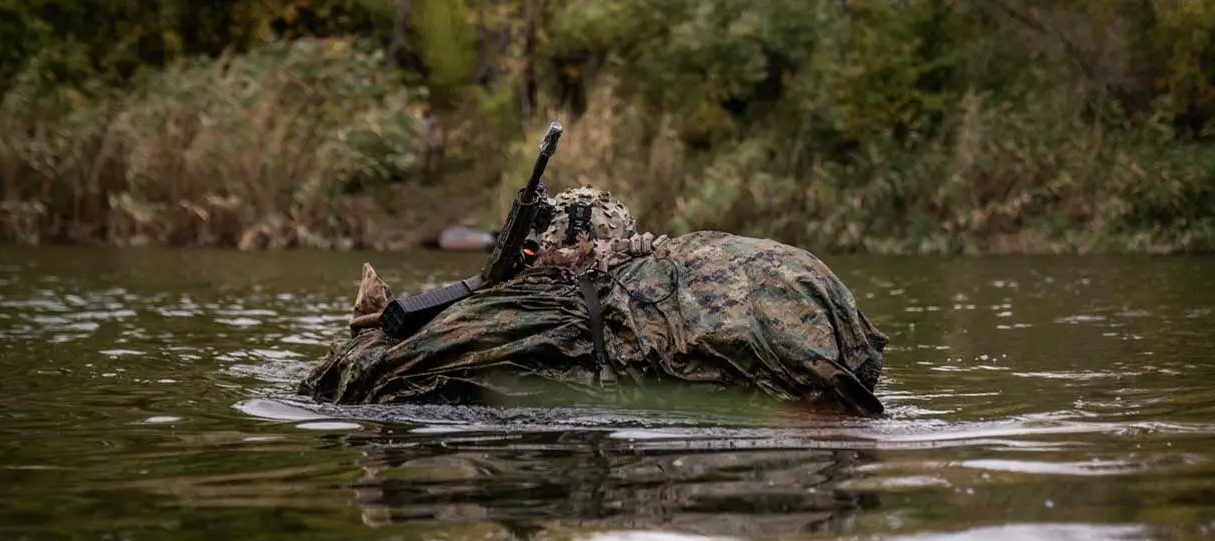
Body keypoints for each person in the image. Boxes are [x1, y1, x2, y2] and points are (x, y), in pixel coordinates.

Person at [297, 187, 889, 416]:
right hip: (838, 363)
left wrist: (371, 328)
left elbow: (347, 383)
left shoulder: (551, 309)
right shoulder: (695, 253)